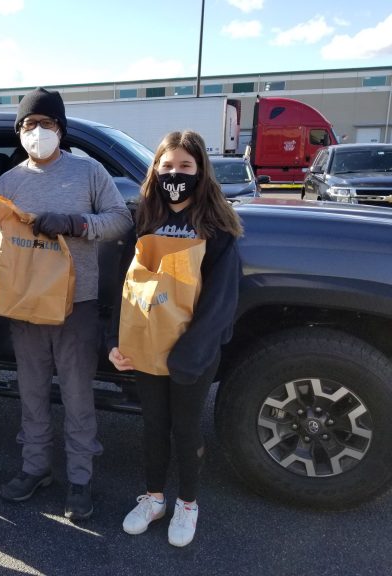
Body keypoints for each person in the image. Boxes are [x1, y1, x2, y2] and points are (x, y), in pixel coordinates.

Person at [0, 88, 132, 520]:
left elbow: (120, 220)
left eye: (47, 124)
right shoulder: (8, 182)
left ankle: (79, 478)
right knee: (31, 392)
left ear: (61, 128)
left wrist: (76, 223)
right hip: (26, 305)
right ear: (20, 132)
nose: (38, 132)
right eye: (29, 125)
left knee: (76, 394)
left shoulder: (87, 172)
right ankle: (35, 468)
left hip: (78, 303)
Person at [107, 130, 243, 547]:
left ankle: (187, 502)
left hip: (192, 352)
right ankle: (153, 498)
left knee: (186, 428)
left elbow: (222, 299)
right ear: (155, 170)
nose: (175, 174)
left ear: (200, 170)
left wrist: (191, 352)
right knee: (153, 425)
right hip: (146, 347)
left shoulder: (216, 226)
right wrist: (117, 341)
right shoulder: (141, 218)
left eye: (185, 166)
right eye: (167, 166)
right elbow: (124, 285)